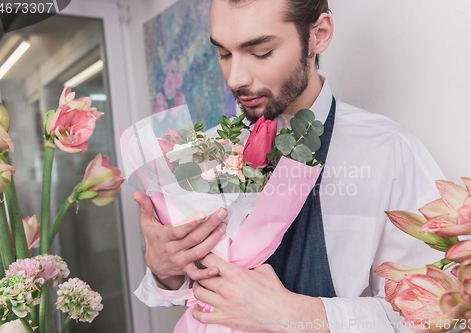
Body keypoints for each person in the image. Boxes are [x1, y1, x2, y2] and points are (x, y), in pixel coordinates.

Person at [133, 0, 446, 332]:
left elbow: (438, 312)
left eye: (261, 52)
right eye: (224, 54)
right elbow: (189, 292)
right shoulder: (205, 152)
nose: (236, 78)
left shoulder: (389, 153)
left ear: (319, 36)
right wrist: (164, 270)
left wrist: (301, 315)